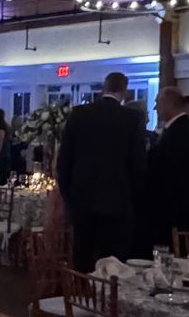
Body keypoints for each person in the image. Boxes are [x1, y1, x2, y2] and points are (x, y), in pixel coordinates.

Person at [56, 72, 147, 270]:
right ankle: (108, 299)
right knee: (114, 264)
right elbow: (137, 165)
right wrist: (133, 199)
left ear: (103, 87)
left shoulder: (79, 114)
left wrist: (69, 197)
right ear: (123, 92)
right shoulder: (131, 118)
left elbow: (64, 162)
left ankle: (81, 297)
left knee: (83, 258)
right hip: (118, 204)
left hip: (82, 201)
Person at [146, 86, 189, 248]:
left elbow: (167, 169)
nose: (155, 108)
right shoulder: (178, 128)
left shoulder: (180, 132)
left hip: (171, 205)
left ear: (168, 104)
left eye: (157, 103)